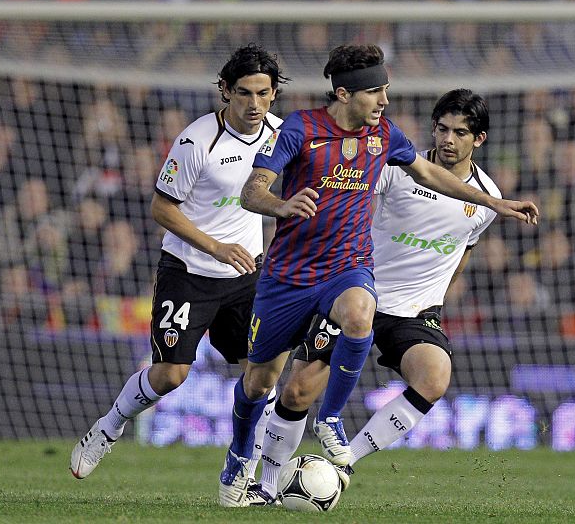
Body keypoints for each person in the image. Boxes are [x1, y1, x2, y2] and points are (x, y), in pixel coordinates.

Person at [219, 58, 537, 507]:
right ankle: (266, 484)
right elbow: (342, 201)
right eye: (441, 129)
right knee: (294, 389)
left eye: (459, 133)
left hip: (412, 311)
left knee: (434, 375)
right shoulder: (392, 162)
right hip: (354, 286)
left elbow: (463, 250)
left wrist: (438, 300)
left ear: (478, 140)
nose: (447, 139)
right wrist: (291, 210)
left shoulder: (486, 199)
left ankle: (343, 463)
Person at [69, 45, 287, 499]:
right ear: (225, 92)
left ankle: (243, 464)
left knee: (262, 371)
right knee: (172, 375)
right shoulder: (197, 140)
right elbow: (161, 209)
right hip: (189, 270)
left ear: (273, 95)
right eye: (244, 93)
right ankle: (108, 428)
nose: (254, 104)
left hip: (248, 273)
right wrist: (216, 247)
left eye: (263, 94)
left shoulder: (281, 135)